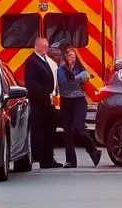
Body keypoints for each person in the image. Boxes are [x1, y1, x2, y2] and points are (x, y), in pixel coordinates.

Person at [57, 46, 102, 168]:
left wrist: (79, 79)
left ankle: (93, 151)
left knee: (78, 128)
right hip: (66, 101)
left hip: (79, 101)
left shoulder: (80, 68)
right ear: (65, 58)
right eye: (69, 56)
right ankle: (71, 161)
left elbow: (86, 78)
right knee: (67, 132)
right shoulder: (61, 70)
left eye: (73, 56)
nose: (71, 58)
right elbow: (64, 84)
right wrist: (77, 79)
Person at [24, 36, 60, 169]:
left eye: (47, 46)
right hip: (40, 104)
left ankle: (49, 158)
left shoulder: (45, 61)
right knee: (42, 132)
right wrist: (45, 96)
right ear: (37, 46)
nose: (46, 48)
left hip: (48, 103)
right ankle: (43, 159)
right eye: (44, 46)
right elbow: (31, 83)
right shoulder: (32, 62)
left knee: (49, 131)